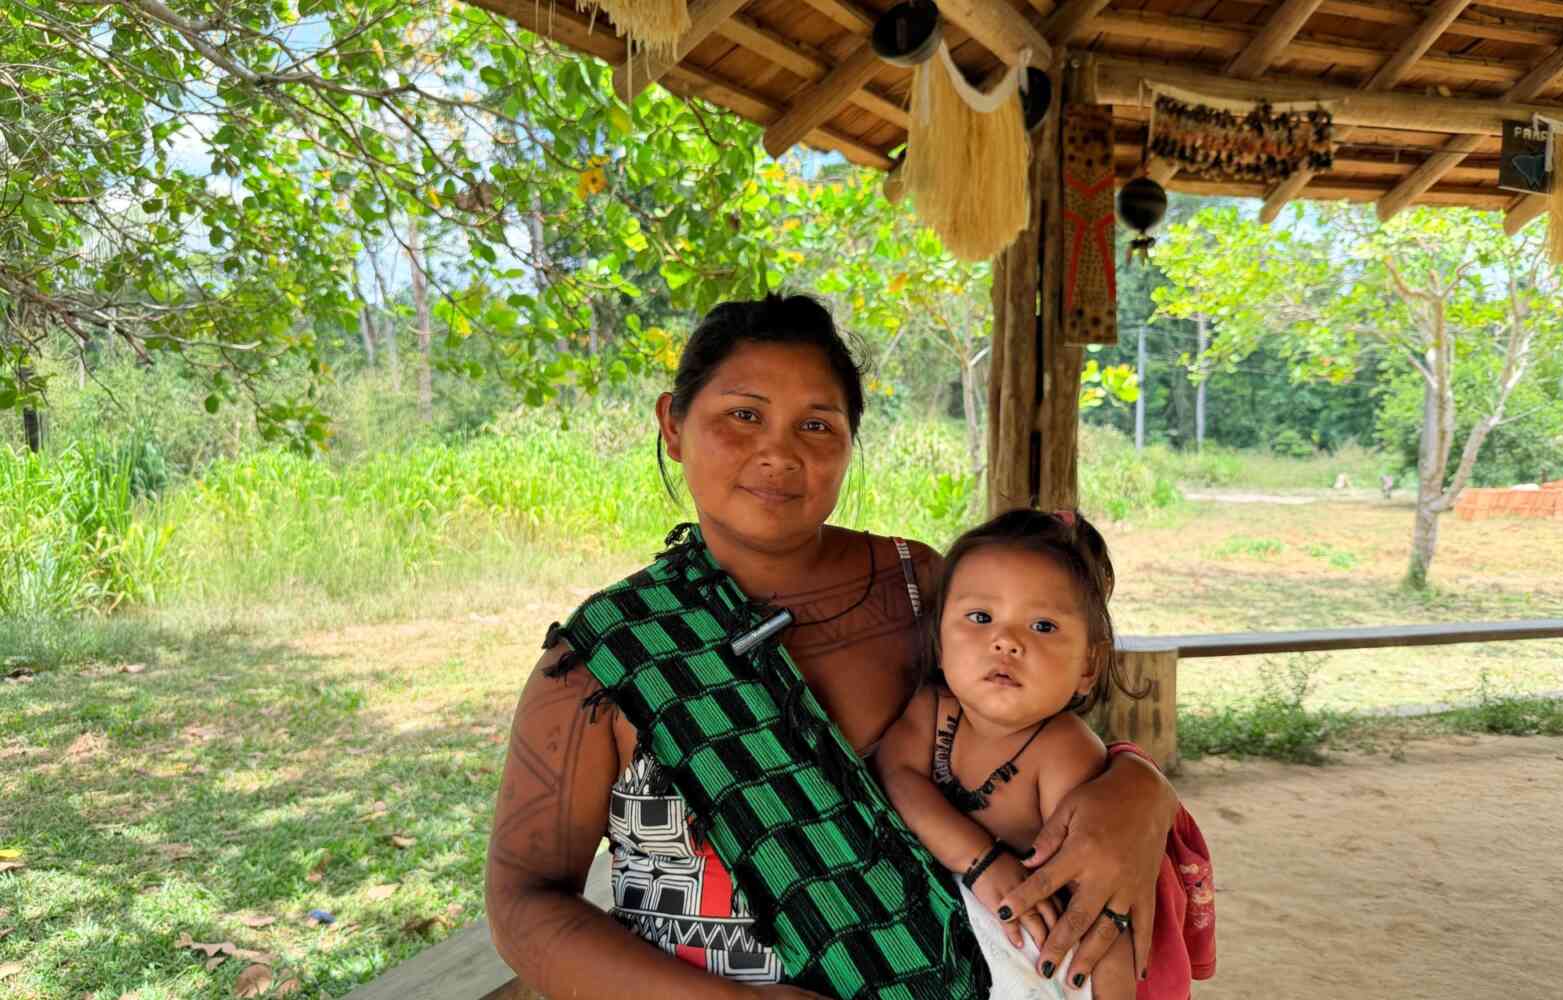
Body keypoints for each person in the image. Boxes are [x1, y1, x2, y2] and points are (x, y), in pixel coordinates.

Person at [486, 294, 1180, 1000]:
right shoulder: (611, 652)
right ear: (672, 422)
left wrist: (1140, 795)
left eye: (816, 424)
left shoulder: (925, 593)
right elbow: (523, 902)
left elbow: (1051, 736)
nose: (780, 452)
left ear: (850, 441)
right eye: (744, 414)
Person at [876, 509, 1215, 1000]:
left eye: (1042, 625)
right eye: (979, 617)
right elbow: (898, 777)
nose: (1006, 641)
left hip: (1036, 951)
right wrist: (983, 862)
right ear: (939, 640)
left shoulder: (1065, 752)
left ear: (1089, 665)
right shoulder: (931, 709)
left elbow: (1102, 909)